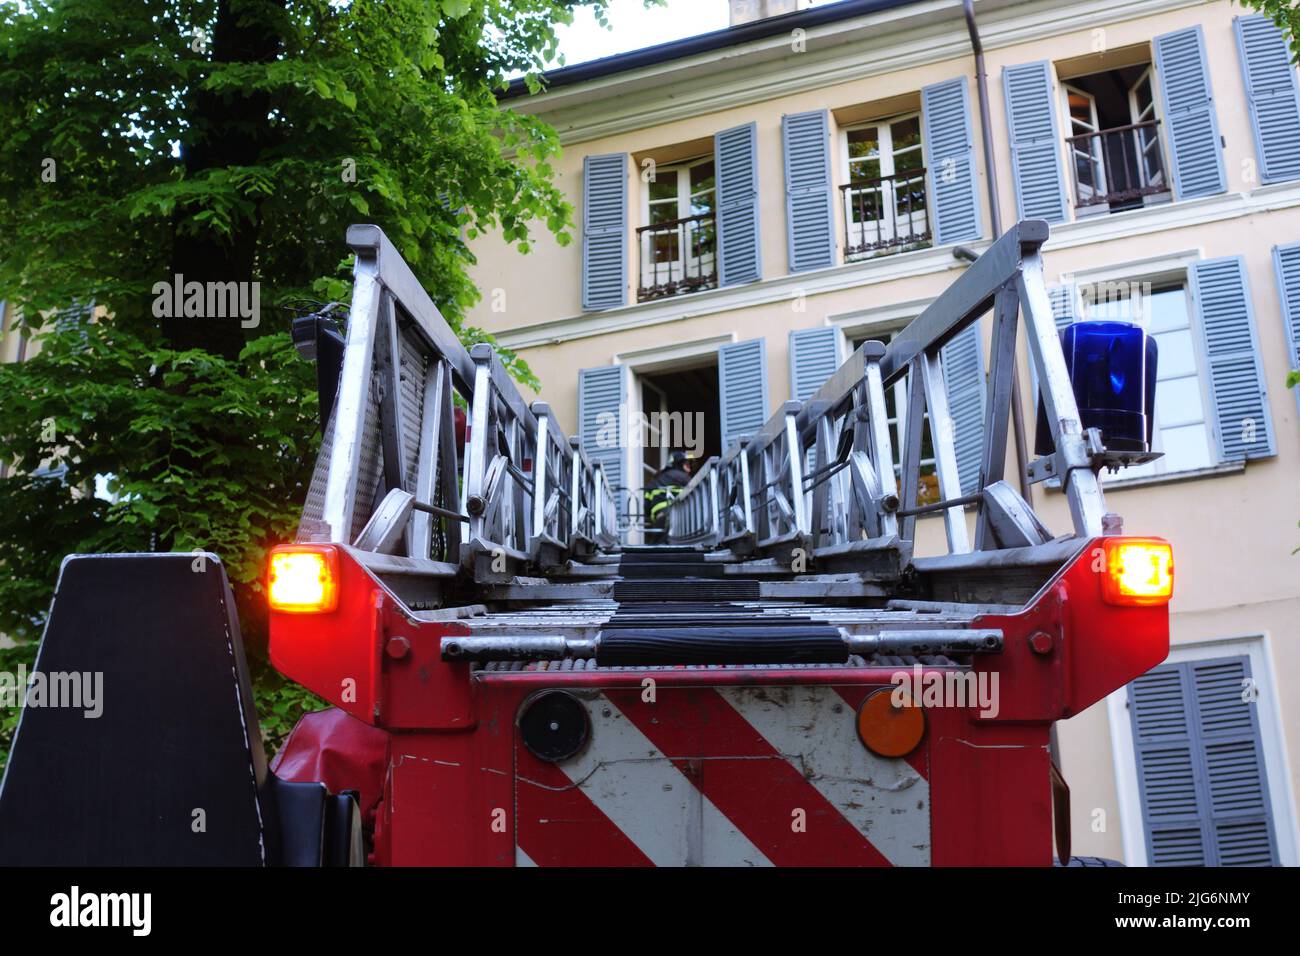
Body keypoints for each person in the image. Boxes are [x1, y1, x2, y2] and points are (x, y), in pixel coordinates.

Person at [643, 451, 692, 534]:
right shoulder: (684, 478)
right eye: (687, 464)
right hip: (680, 516)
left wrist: (650, 518)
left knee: (658, 542)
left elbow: (646, 505)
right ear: (678, 464)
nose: (690, 468)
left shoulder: (655, 480)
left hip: (660, 518)